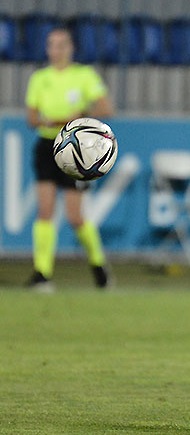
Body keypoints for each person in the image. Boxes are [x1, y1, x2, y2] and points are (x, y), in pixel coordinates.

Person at [25, 26, 114, 291]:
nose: (56, 50)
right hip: (47, 145)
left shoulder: (84, 75)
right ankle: (42, 273)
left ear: (71, 48)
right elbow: (32, 118)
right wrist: (55, 120)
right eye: (52, 45)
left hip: (77, 149)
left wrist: (80, 116)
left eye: (61, 44)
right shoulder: (40, 78)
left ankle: (98, 264)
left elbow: (106, 108)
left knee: (75, 216)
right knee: (45, 210)